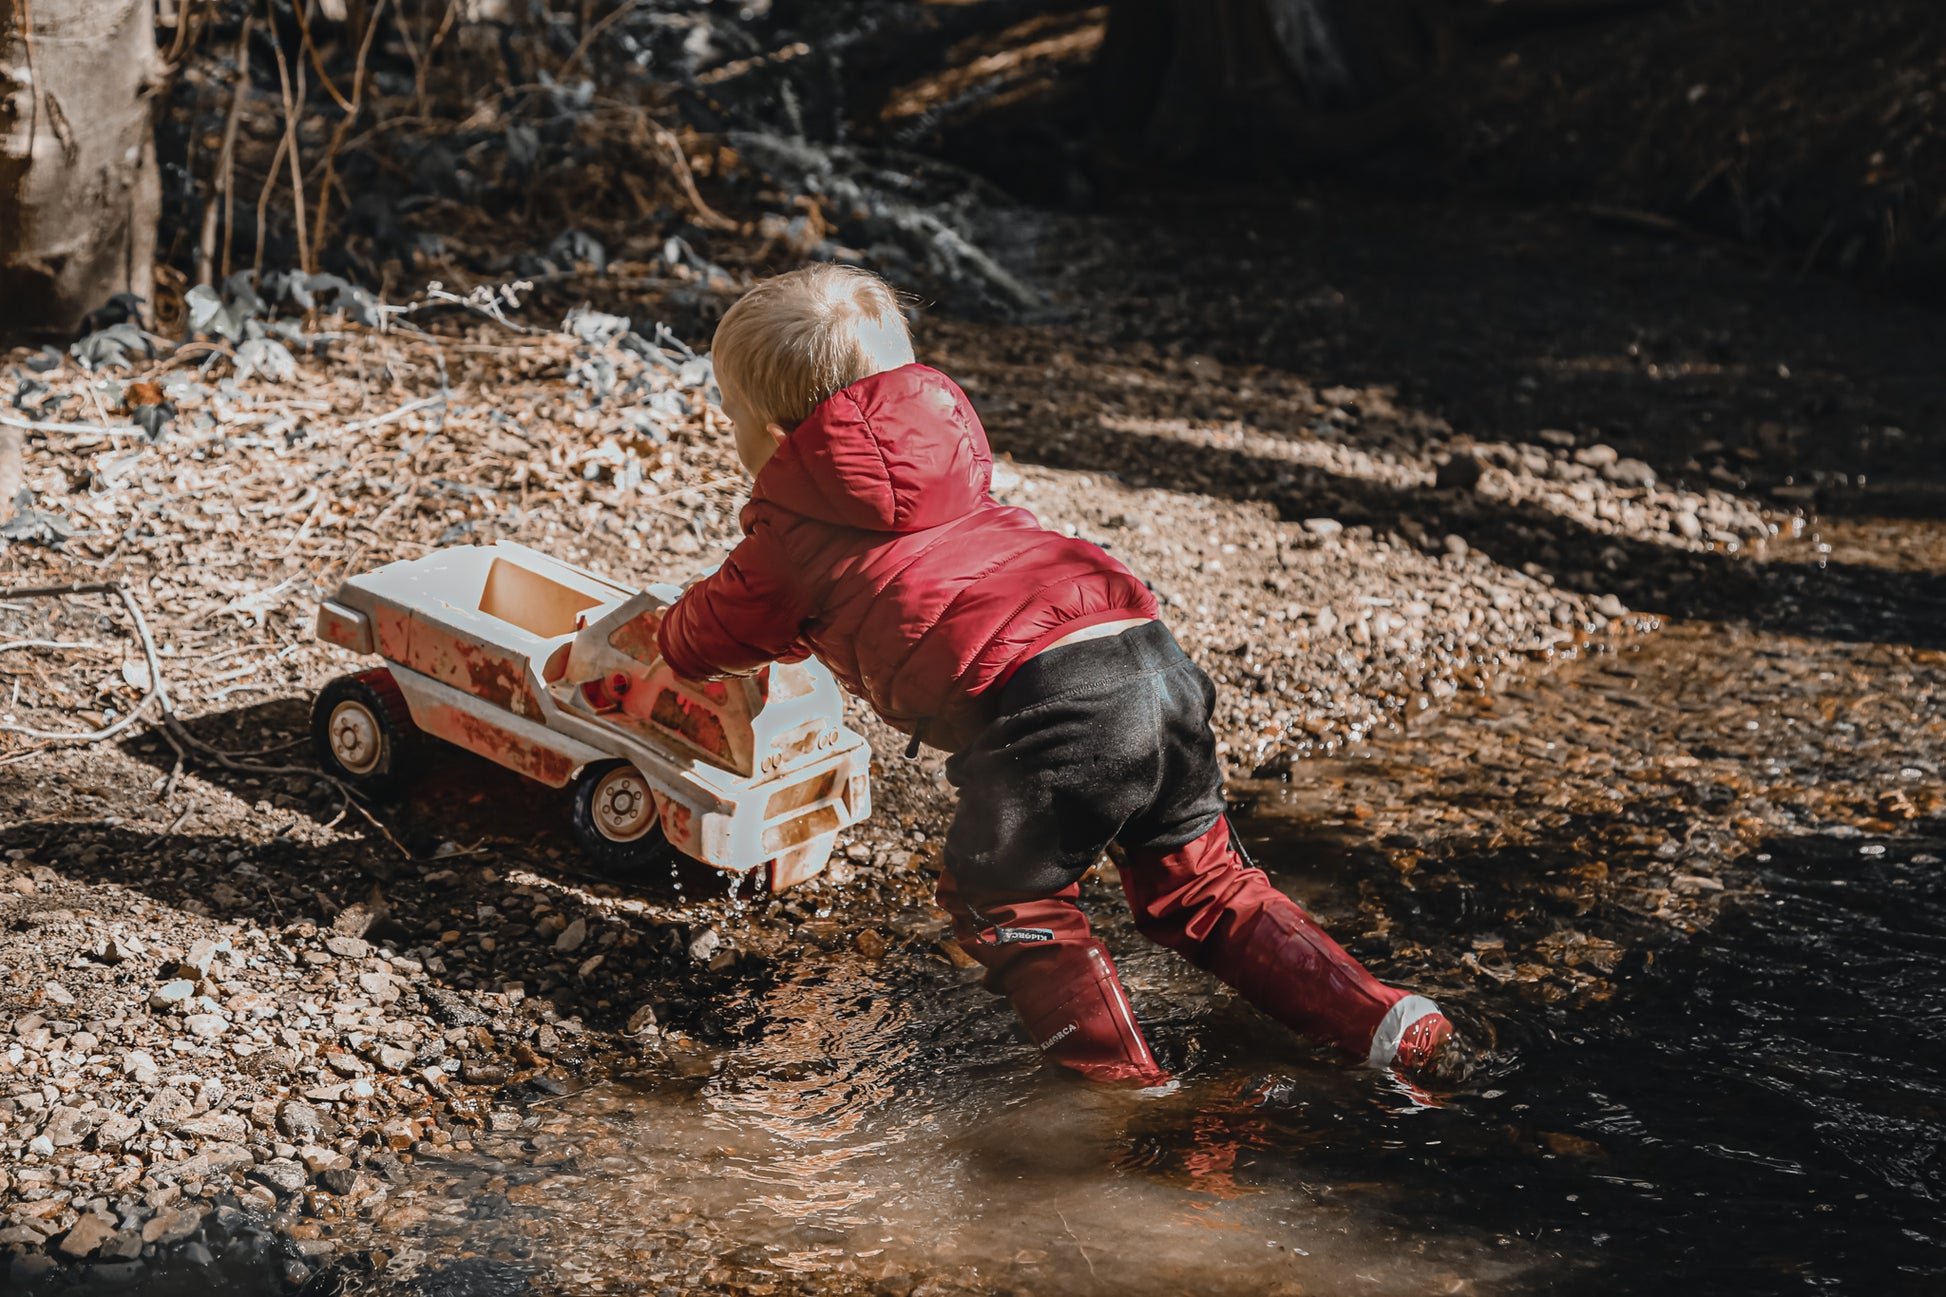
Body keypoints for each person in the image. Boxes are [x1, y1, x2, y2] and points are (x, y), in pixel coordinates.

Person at [655, 264, 1451, 1084]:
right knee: (1204, 886)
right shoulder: (953, 471)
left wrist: (663, 634)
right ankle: (1387, 1023)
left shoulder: (789, 535)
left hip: (1052, 706)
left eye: (732, 418)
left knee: (1005, 899)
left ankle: (1122, 1089)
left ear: (778, 436)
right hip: (1149, 655)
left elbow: (707, 634)